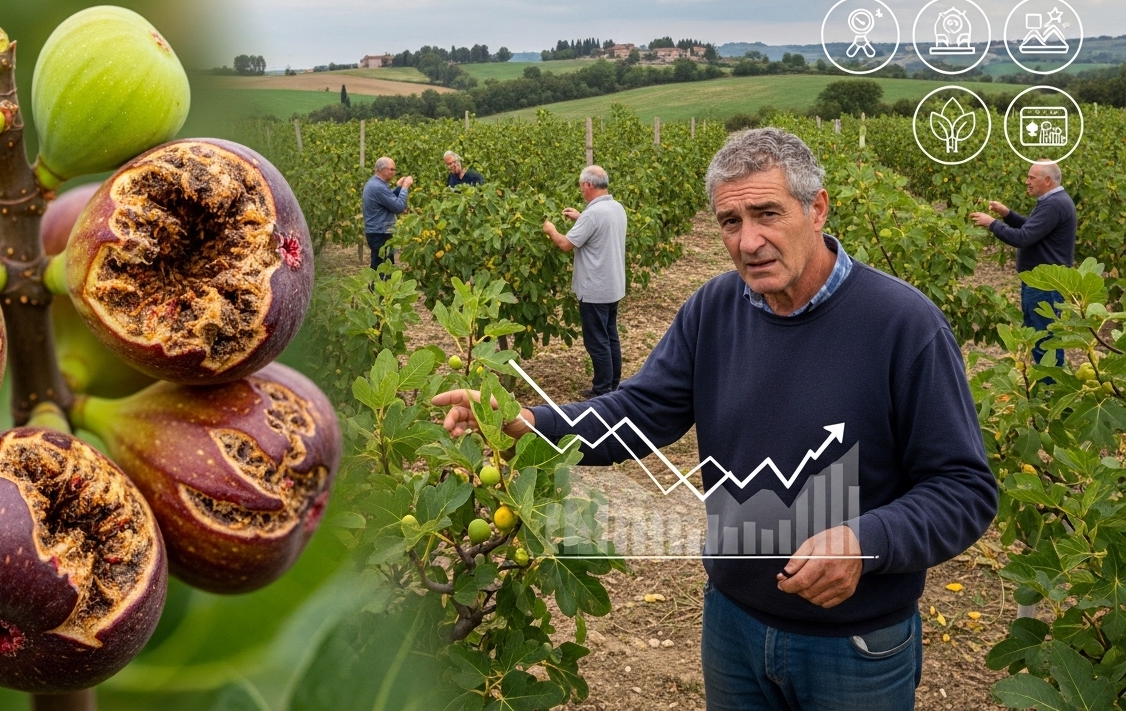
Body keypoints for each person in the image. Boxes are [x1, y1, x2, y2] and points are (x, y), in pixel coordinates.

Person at [437, 128, 997, 711]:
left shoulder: (903, 325)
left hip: (854, 645)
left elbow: (964, 488)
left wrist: (865, 542)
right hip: (732, 626)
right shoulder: (713, 309)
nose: (749, 240)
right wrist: (525, 420)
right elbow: (638, 412)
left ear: (817, 208)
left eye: (767, 213)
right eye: (731, 222)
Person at [970, 159, 1076, 366]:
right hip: (1042, 282)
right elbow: (1033, 229)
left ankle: (1049, 390)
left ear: (1047, 180)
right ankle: (1044, 386)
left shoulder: (1054, 204)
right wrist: (1007, 214)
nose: (1026, 181)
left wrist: (992, 223)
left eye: (1031, 177)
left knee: (1045, 340)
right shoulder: (1054, 201)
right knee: (1039, 337)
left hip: (1046, 285)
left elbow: (1023, 237)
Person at [542, 165, 627, 398]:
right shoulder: (616, 207)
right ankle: (614, 386)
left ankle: (602, 392)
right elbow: (600, 229)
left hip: (594, 289)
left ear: (588, 185)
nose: (581, 191)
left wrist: (551, 229)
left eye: (581, 186)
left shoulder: (593, 214)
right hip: (613, 286)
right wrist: (581, 219)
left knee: (597, 342)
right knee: (610, 336)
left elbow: (565, 244)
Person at [362, 156, 413, 269]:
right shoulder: (378, 186)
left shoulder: (376, 183)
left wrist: (399, 188)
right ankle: (378, 287)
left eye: (394, 169)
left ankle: (377, 286)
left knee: (381, 265)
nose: (394, 172)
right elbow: (398, 207)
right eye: (391, 169)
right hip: (380, 232)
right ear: (382, 169)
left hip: (377, 231)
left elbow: (389, 201)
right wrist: (405, 188)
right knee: (383, 267)